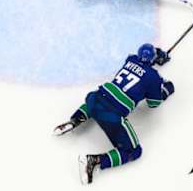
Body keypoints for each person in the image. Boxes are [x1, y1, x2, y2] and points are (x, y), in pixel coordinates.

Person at [53, 43, 173, 184]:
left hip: (94, 99)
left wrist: (155, 56)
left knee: (97, 100)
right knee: (134, 151)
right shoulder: (154, 77)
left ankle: (75, 120)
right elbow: (153, 103)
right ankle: (94, 161)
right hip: (112, 116)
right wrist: (165, 89)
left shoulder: (131, 59)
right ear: (154, 59)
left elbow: (140, 64)